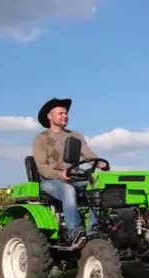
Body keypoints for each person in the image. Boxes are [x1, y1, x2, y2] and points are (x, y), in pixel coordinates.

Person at [32, 97, 108, 246]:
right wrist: (60, 174)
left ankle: (93, 230)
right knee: (68, 190)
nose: (65, 116)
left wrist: (99, 162)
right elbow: (42, 167)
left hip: (74, 178)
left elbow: (89, 154)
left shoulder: (75, 136)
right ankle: (75, 232)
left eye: (66, 113)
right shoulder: (42, 139)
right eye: (60, 113)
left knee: (99, 186)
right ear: (49, 116)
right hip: (50, 181)